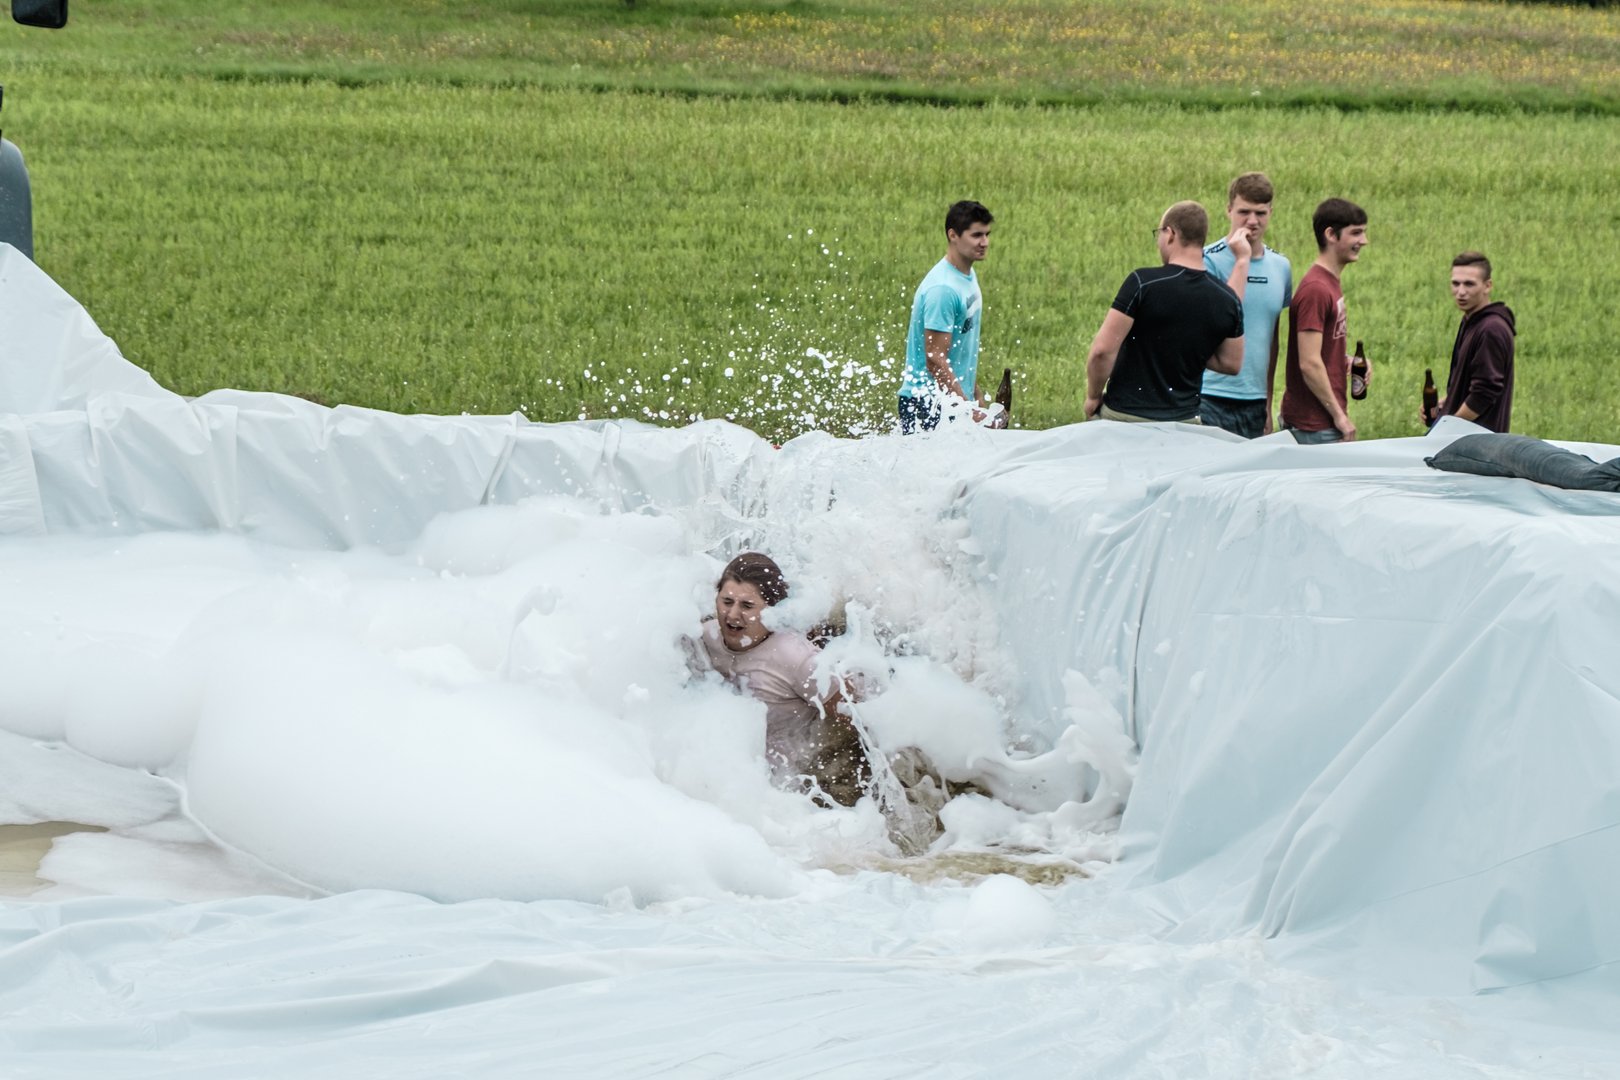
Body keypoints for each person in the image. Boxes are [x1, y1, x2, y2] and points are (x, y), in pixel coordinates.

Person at [693, 552, 869, 806]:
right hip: (732, 773)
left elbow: (858, 715)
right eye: (727, 601)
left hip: (796, 787)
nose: (732, 615)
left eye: (747, 606)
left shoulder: (795, 657)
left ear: (771, 610)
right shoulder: (704, 638)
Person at [1084, 201, 1244, 423]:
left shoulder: (1142, 283)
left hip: (1125, 417)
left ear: (1170, 234)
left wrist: (1093, 396)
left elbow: (1102, 352)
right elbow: (1231, 363)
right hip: (1185, 422)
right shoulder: (1228, 299)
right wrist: (1185, 347)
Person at [1200, 173, 1293, 437]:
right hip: (1209, 394)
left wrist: (1267, 401)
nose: (1252, 221)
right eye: (1244, 212)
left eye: (1260, 213)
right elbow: (1218, 320)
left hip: (1254, 400)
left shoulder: (1281, 267)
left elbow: (1271, 338)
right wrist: (1242, 259)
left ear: (1270, 212)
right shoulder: (1208, 260)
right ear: (1229, 210)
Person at [899, 200, 993, 433]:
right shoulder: (943, 289)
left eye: (987, 234)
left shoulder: (966, 276)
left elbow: (960, 349)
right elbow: (935, 358)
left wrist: (976, 398)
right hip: (928, 404)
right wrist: (968, 411)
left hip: (951, 400)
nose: (984, 242)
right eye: (976, 235)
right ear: (953, 235)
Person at [1280, 198, 1369, 444]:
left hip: (1319, 424)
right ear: (1330, 234)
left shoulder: (1328, 282)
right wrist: (1339, 417)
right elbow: (1309, 363)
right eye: (1356, 233)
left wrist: (1346, 361)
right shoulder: (1317, 289)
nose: (1364, 241)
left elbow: (1320, 352)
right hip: (1313, 427)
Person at [1425, 252, 1515, 433]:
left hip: (1476, 443)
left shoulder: (1491, 329)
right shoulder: (1472, 321)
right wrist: (1447, 404)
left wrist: (1448, 428)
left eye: (1469, 284)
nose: (1461, 292)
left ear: (1487, 286)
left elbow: (1484, 393)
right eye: (1455, 283)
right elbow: (1472, 386)